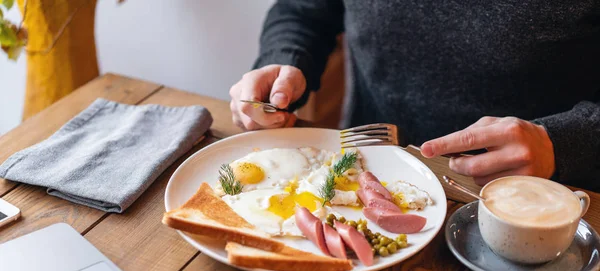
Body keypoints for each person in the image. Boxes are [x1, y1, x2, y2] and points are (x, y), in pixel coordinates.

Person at [229, 1, 600, 191]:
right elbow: (302, 11)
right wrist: (283, 61)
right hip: (361, 180)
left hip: (548, 204)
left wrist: (562, 143)